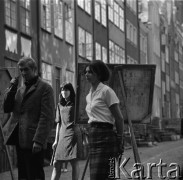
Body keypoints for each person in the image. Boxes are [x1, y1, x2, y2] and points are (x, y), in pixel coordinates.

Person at [3, 57, 55, 180]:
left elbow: (47, 117)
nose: (23, 73)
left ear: (34, 69)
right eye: (21, 70)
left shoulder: (45, 88)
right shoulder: (20, 90)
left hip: (34, 141)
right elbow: (7, 108)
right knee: (23, 176)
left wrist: (39, 139)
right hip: (20, 139)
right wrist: (12, 88)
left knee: (35, 175)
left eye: (26, 69)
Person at [84, 60, 124, 180]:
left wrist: (120, 138)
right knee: (95, 176)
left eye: (90, 72)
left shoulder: (106, 91)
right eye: (86, 72)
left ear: (99, 74)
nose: (86, 74)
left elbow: (119, 118)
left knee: (107, 175)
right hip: (93, 137)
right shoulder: (89, 95)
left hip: (106, 137)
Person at [51, 82, 79, 180]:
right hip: (62, 135)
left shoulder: (76, 104)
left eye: (66, 90)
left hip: (73, 134)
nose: (64, 92)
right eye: (62, 90)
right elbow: (59, 123)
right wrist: (56, 140)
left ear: (70, 91)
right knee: (56, 163)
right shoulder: (59, 105)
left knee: (74, 162)